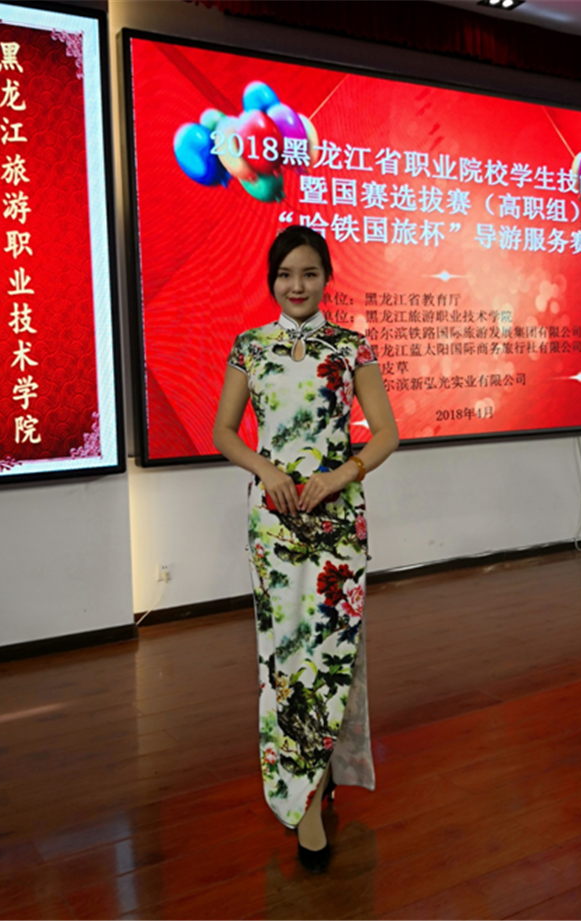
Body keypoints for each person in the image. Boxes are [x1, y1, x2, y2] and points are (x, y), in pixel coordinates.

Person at [212, 226, 398, 873]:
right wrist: (266, 469)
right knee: (286, 657)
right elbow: (224, 432)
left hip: (339, 521)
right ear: (271, 279)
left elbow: (386, 434)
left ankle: (321, 778)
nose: (297, 285)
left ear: (326, 278)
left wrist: (340, 475)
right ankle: (306, 793)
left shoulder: (351, 346)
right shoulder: (250, 346)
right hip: (276, 523)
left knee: (333, 651)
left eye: (310, 273)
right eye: (286, 273)